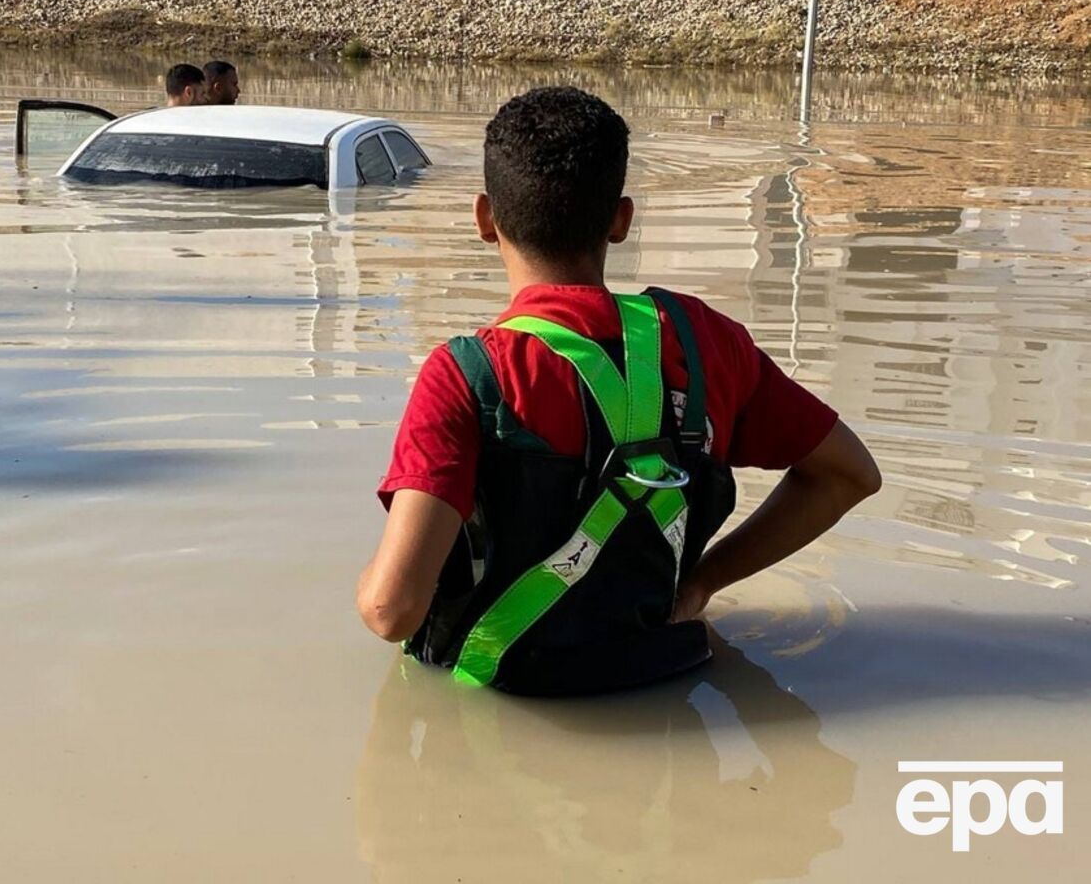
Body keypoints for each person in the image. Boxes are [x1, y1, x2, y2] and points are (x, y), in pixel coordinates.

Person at [356, 86, 881, 695]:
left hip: (506, 699)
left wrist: (368, 581)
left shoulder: (467, 374)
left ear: (483, 218)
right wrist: (704, 582)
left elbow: (391, 611)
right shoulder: (708, 342)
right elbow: (850, 474)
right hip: (665, 677)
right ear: (622, 220)